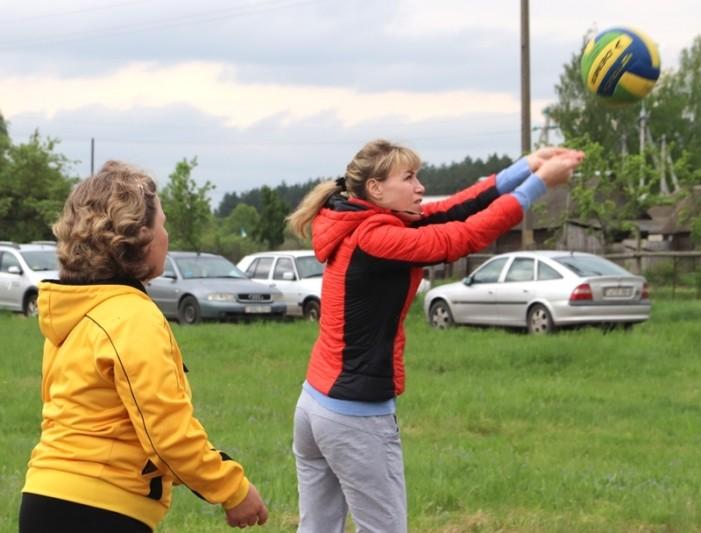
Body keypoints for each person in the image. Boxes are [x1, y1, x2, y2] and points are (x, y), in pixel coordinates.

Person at [287, 139, 584, 533]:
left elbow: (454, 209)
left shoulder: (359, 222)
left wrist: (525, 167)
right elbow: (460, 237)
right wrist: (538, 185)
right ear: (376, 190)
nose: (420, 187)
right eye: (409, 177)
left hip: (315, 405)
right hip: (353, 415)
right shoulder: (376, 238)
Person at [19, 161, 268, 532]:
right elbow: (166, 433)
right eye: (162, 224)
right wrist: (233, 489)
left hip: (46, 496)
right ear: (138, 237)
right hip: (97, 510)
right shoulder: (132, 317)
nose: (167, 235)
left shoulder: (77, 309)